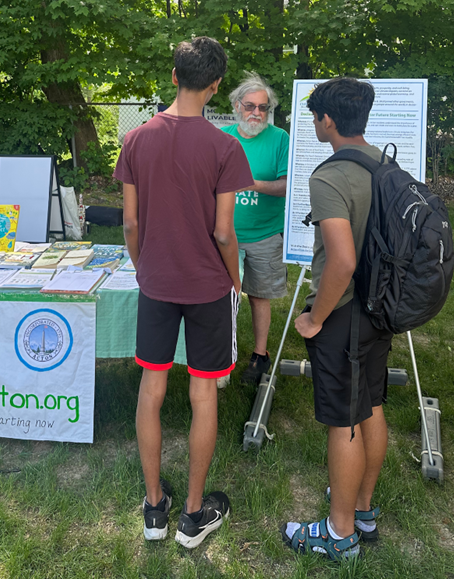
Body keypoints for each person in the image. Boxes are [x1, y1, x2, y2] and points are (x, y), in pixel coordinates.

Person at [113, 37, 254, 549]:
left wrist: (143, 266)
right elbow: (223, 233)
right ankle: (194, 515)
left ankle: (155, 509)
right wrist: (234, 280)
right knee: (202, 394)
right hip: (207, 285)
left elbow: (130, 223)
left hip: (157, 281)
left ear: (173, 75)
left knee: (151, 390)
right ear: (216, 87)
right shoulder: (224, 147)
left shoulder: (136, 140)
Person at [280, 77, 393, 560]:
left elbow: (341, 262)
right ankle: (362, 508)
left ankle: (340, 533)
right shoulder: (386, 164)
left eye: (314, 117)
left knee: (343, 421)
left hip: (344, 312)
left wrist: (313, 319)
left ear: (328, 120)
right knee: (371, 405)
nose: (313, 124)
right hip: (380, 308)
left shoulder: (329, 177)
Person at [221, 73, 290, 384]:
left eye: (263, 108)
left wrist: (251, 184)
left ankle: (259, 356)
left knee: (259, 296)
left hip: (265, 232)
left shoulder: (280, 139)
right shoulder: (222, 138)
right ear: (237, 106)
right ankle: (221, 353)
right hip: (225, 234)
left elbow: (287, 186)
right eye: (250, 106)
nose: (257, 113)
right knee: (221, 297)